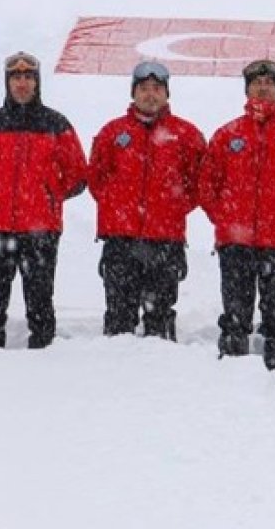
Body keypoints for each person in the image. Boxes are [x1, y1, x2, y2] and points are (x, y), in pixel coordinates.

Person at [0, 51, 88, 349]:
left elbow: (78, 174)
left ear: (37, 82)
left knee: (40, 295)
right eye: (16, 78)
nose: (22, 84)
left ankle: (44, 348)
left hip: (40, 228)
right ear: (7, 83)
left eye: (28, 78)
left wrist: (48, 195)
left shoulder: (56, 124)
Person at [198, 59, 275, 376]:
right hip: (235, 244)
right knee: (235, 315)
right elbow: (206, 185)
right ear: (247, 89)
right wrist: (225, 220)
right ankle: (232, 375)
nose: (263, 88)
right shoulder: (227, 135)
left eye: (269, 83)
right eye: (256, 83)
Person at [88, 61, 206, 341]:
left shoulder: (186, 135)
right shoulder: (113, 132)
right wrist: (118, 207)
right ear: (133, 93)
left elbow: (200, 182)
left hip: (165, 240)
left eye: (156, 89)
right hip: (120, 240)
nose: (150, 95)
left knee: (160, 317)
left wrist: (172, 209)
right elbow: (96, 178)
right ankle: (115, 376)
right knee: (119, 316)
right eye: (143, 89)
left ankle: (161, 378)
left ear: (166, 94)